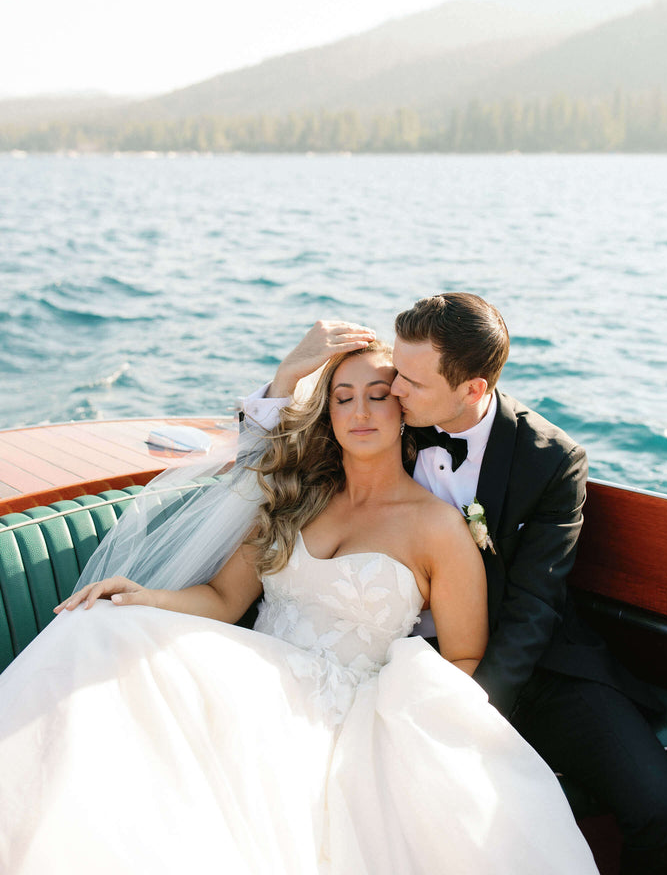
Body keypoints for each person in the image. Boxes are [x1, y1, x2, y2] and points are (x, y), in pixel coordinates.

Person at [0, 341, 599, 875]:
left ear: (404, 410)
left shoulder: (440, 529)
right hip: (251, 673)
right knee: (98, 627)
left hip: (343, 710)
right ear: (328, 412)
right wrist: (143, 595)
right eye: (343, 398)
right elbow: (224, 597)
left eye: (377, 396)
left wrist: (404, 728)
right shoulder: (296, 495)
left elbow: (465, 654)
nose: (361, 412)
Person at [249, 297, 667, 875]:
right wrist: (288, 375)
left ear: (472, 389)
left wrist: (464, 714)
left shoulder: (550, 461)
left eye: (408, 380)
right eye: (394, 372)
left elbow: (534, 607)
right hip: (391, 658)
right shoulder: (392, 418)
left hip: (534, 669)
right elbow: (272, 461)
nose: (392, 389)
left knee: (664, 811)